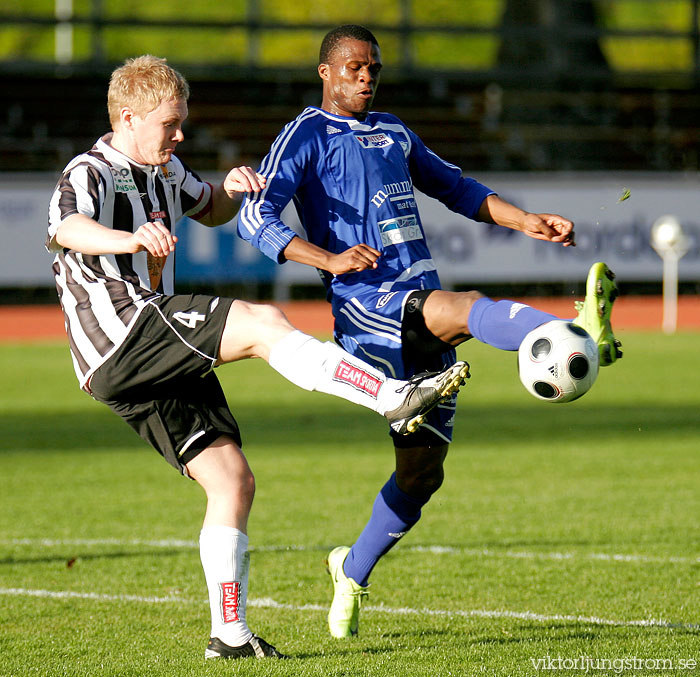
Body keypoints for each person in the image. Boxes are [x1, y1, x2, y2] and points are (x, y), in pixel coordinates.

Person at [44, 55, 470, 660]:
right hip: (121, 330)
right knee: (262, 322)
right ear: (129, 118)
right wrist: (131, 239)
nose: (180, 134)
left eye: (183, 123)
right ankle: (391, 396)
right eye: (170, 124)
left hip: (138, 363)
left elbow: (210, 207)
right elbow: (68, 229)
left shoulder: (165, 169)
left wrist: (235, 187)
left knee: (232, 479)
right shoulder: (89, 171)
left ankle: (231, 635)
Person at [237, 24, 623, 639]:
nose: (367, 77)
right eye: (355, 67)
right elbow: (253, 216)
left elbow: (457, 188)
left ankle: (351, 570)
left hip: (418, 300)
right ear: (326, 73)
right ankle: (568, 326)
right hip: (367, 308)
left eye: (375, 69)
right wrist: (330, 260)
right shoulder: (305, 135)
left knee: (422, 476)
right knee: (465, 306)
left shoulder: (394, 132)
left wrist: (526, 221)